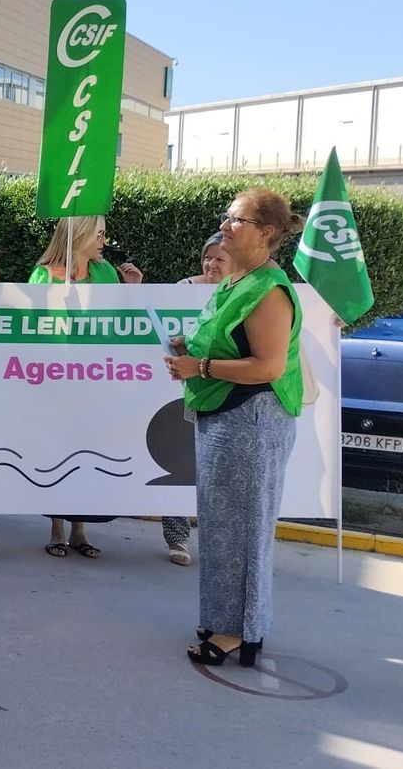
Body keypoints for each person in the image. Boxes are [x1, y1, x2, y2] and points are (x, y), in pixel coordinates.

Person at [165, 189, 305, 668]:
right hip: (227, 416)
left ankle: (236, 632)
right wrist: (190, 349)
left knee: (241, 530)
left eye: (236, 220)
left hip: (253, 420)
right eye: (226, 217)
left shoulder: (269, 291)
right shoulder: (237, 280)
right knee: (222, 527)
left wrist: (199, 367)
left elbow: (267, 366)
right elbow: (227, 341)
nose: (225, 226)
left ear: (266, 232)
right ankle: (229, 621)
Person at [29, 216, 143, 559]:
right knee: (58, 453)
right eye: (100, 234)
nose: (103, 241)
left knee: (87, 453)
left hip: (96, 384)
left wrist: (132, 289)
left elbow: (122, 321)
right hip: (56, 384)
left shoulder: (105, 273)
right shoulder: (43, 275)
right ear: (79, 236)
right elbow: (29, 327)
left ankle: (80, 529)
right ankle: (57, 528)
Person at [159, 232, 231, 566]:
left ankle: (222, 542)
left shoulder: (247, 294)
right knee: (181, 457)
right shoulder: (184, 289)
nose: (211, 264)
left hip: (228, 390)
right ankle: (177, 537)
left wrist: (328, 317)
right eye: (208, 257)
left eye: (220, 259)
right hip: (186, 388)